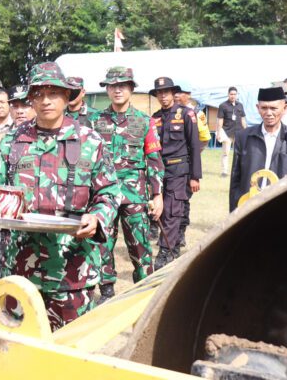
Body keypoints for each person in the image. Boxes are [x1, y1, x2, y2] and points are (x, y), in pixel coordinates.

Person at [0, 62, 120, 330]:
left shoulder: (89, 141)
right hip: (20, 268)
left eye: (54, 93)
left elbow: (109, 192)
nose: (46, 101)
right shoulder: (12, 142)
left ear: (67, 96)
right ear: (30, 99)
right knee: (22, 348)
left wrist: (97, 217)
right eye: (39, 94)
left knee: (69, 350)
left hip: (72, 268)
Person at [88, 66, 163, 304]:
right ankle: (106, 291)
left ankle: (145, 293)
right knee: (102, 244)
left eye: (122, 85)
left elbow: (154, 160)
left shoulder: (144, 121)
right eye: (112, 86)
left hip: (135, 195)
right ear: (107, 90)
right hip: (103, 196)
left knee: (140, 245)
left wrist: (158, 194)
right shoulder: (94, 121)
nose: (117, 90)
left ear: (131, 89)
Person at [229, 87, 287, 212]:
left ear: (284, 108)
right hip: (249, 208)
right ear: (257, 108)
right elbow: (235, 180)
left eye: (274, 108)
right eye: (264, 108)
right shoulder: (243, 137)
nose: (269, 113)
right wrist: (233, 215)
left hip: (281, 209)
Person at [151, 77, 202, 268]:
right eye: (159, 92)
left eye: (166, 91)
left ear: (173, 93)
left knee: (173, 211)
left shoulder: (186, 114)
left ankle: (165, 252)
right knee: (160, 211)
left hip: (179, 170)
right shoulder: (154, 117)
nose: (163, 95)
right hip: (159, 171)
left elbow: (194, 145)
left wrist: (194, 176)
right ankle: (174, 241)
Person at [172, 84, 207, 248]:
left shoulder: (195, 114)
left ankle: (180, 233)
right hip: (170, 166)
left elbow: (204, 138)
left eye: (181, 93)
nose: (177, 96)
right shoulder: (168, 112)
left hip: (186, 164)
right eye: (175, 92)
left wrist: (193, 157)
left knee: (183, 200)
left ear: (189, 94)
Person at [217, 87, 247, 177]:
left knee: (239, 153)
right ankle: (224, 171)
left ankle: (238, 171)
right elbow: (220, 120)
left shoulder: (240, 105)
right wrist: (218, 132)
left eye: (234, 94)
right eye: (231, 94)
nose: (233, 96)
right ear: (228, 94)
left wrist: (246, 131)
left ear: (237, 95)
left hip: (239, 132)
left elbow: (243, 119)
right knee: (226, 152)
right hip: (227, 132)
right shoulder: (223, 105)